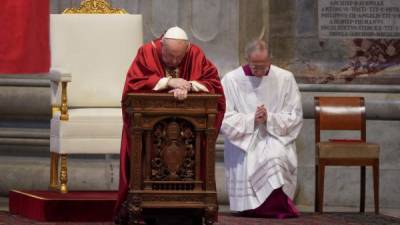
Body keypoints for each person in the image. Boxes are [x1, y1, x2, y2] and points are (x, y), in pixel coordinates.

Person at [115, 26, 226, 223]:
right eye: (169, 56)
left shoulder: (195, 54)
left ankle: (190, 207)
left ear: (187, 49)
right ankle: (147, 204)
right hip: (151, 131)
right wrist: (167, 82)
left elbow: (214, 84)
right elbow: (133, 84)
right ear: (161, 46)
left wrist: (189, 85)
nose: (174, 62)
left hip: (187, 132)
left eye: (179, 57)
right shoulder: (146, 52)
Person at [220, 40, 303, 218]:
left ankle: (277, 208)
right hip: (245, 138)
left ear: (270, 60)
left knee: (276, 156)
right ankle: (251, 208)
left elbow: (294, 115)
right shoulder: (231, 80)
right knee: (252, 157)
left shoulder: (285, 78)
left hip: (275, 135)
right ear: (246, 59)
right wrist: (252, 120)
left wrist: (269, 118)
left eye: (263, 66)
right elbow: (224, 117)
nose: (259, 71)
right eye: (254, 66)